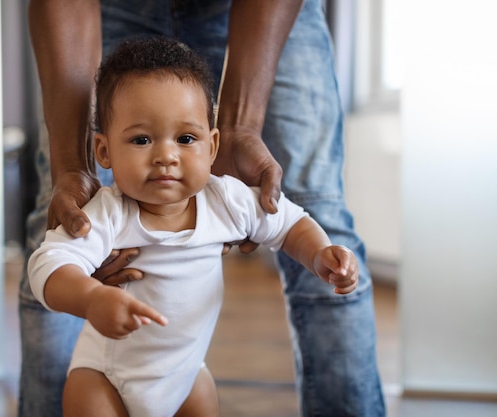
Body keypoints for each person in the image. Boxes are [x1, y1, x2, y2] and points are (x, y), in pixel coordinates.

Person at [20, 0, 386, 416]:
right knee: (49, 221)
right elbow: (48, 265)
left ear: (213, 145)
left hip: (187, 375)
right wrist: (89, 299)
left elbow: (290, 223)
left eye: (186, 139)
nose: (166, 156)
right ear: (102, 151)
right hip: (104, 378)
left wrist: (321, 252)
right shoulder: (106, 213)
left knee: (320, 202)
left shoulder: (226, 198)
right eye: (141, 140)